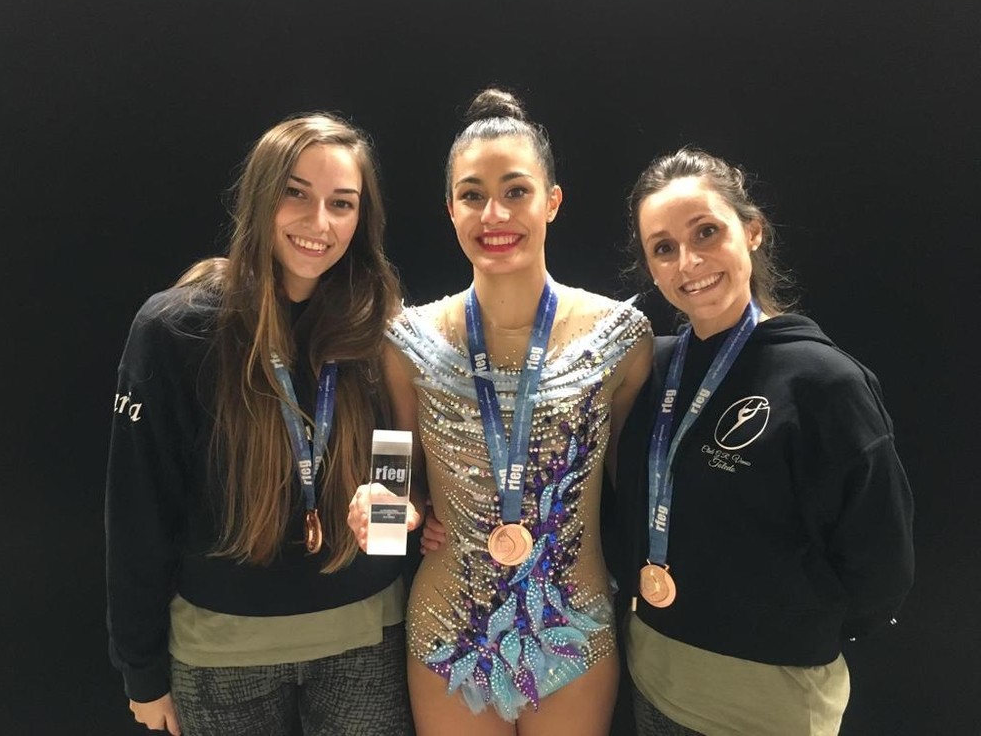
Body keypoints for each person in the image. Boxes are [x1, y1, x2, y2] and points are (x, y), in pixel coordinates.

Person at [348, 87, 652, 735]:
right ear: (449, 208)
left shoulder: (622, 338)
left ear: (552, 200)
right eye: (472, 194)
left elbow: (636, 489)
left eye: (515, 190)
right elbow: (391, 495)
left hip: (574, 626)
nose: (495, 213)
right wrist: (396, 512)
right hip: (448, 630)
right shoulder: (406, 341)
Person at [105, 113, 417, 736]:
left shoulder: (378, 325)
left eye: (342, 203)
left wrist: (397, 511)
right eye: (295, 193)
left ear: (363, 220)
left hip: (364, 641)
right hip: (223, 655)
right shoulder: (175, 329)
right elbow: (137, 511)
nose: (319, 223)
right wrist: (141, 670)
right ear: (259, 195)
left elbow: (397, 463)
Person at [615, 148, 915, 735]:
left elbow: (881, 572)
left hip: (765, 703)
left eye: (707, 232)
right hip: (653, 674)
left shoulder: (824, 384)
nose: (689, 261)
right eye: (664, 248)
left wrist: (788, 626)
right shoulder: (652, 370)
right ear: (651, 268)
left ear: (752, 232)